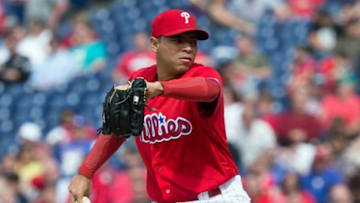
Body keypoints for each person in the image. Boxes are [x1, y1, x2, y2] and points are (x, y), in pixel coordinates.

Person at [68, 9, 251, 203]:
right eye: (178, 40)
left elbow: (209, 89)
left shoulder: (204, 75)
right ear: (155, 44)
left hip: (215, 197)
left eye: (192, 41)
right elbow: (118, 129)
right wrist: (86, 172)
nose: (188, 47)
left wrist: (161, 88)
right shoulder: (140, 79)